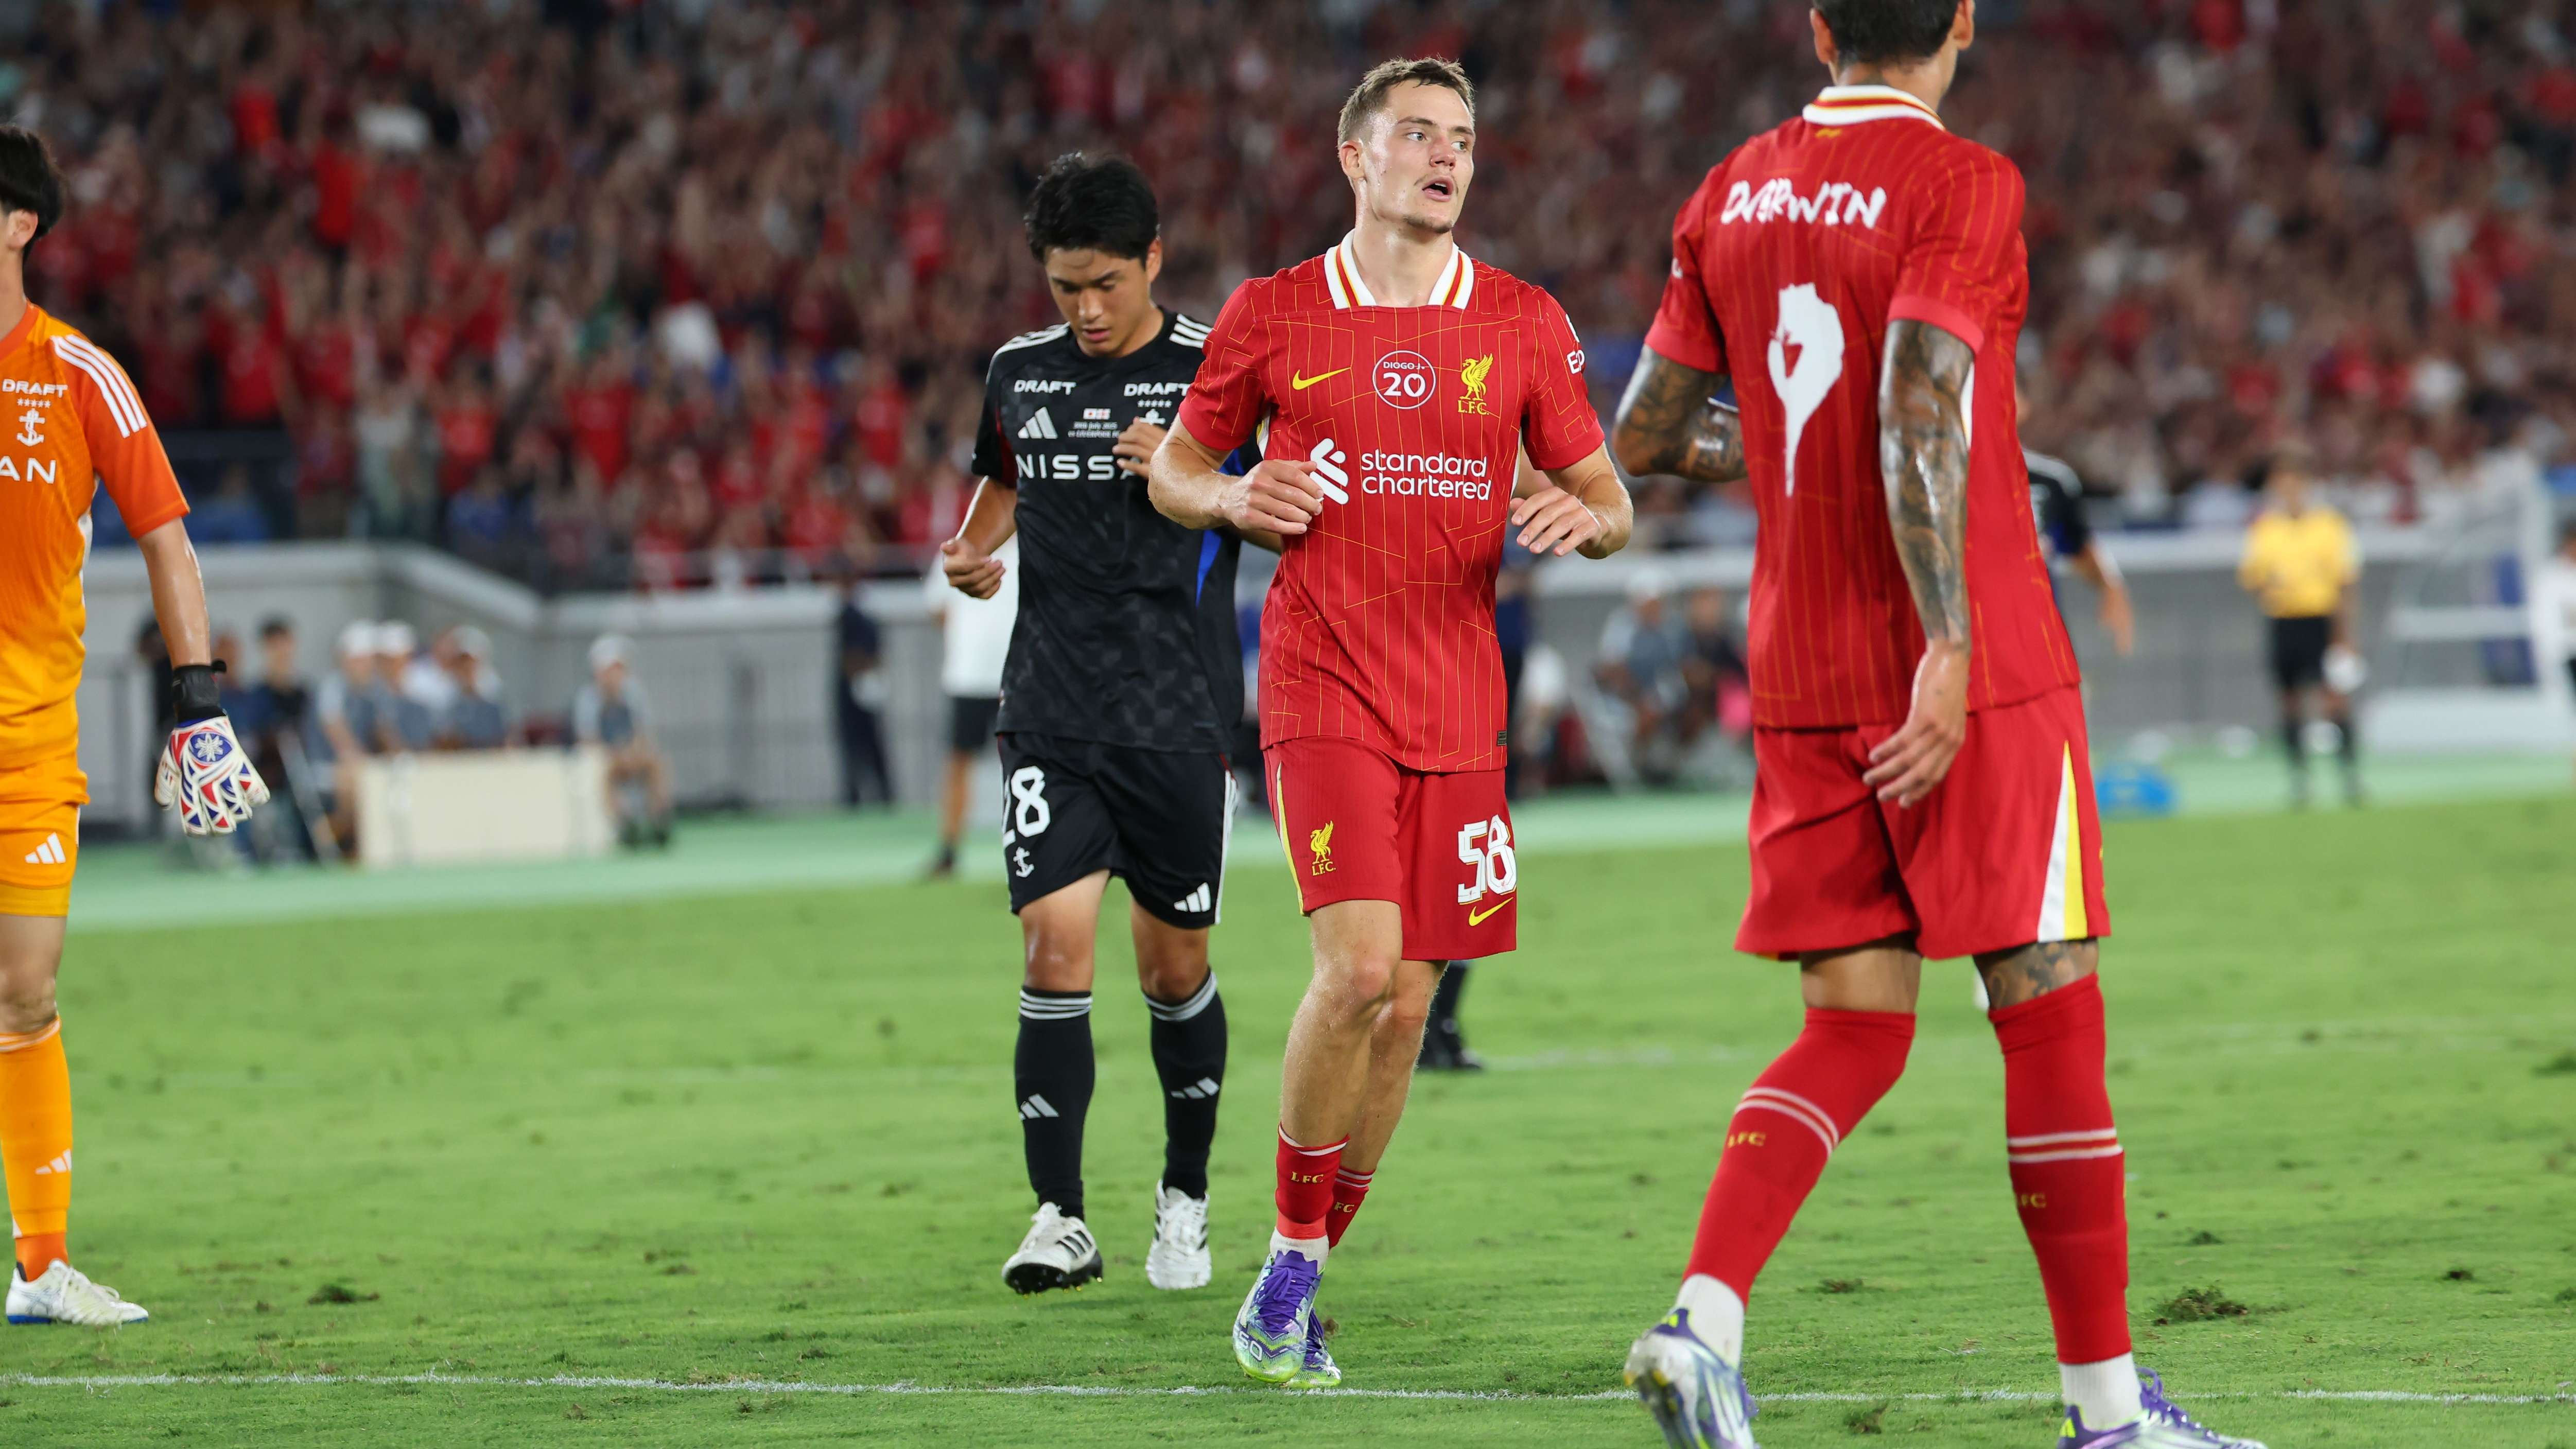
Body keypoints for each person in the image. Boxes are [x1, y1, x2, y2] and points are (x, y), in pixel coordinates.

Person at [1609, 8, 2261, 1447]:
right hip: (1965, 666)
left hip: (1799, 665)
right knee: (2047, 1009)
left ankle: (1699, 1323)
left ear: (1816, 25)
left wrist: (1798, 451)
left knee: (1850, 1024)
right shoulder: (1959, 181)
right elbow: (1915, 407)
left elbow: (1645, 433)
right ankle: (2106, 1414)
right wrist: (1950, 644)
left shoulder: (1729, 190)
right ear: (1959, 19)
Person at [1148, 58, 1633, 1390]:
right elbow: (1180, 464)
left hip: (1460, 700)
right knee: (1359, 970)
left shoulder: (1524, 320)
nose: (1445, 155)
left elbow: (1609, 499)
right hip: (1323, 680)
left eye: (1461, 137)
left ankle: (1295, 1276)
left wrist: (1583, 518)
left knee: (1410, 1007)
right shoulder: (1273, 312)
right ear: (1355, 157)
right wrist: (1231, 497)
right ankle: (1289, 1267)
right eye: (1416, 134)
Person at [938, 153, 1243, 1301]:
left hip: (1176, 716)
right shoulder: (1017, 372)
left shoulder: (1215, 369)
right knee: (1051, 947)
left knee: (1174, 972)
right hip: (1050, 710)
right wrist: (972, 552)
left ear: (1152, 260)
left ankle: (1185, 1194)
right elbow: (1000, 486)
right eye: (1066, 286)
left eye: (1107, 283)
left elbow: (1285, 508)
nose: (1087, 309)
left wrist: (1189, 473)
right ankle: (1059, 1216)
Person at [0, 125, 269, 1325]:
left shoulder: (78, 375)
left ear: (20, 225)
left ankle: (40, 1269)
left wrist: (195, 698)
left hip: (27, 746)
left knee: (23, 995)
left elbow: (165, 536)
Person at [2238, 446, 2362, 809]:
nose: (2288, 488)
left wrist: (2344, 635)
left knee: (2334, 700)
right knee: (2290, 701)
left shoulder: (2329, 525)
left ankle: (2349, 776)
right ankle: (2300, 779)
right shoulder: (2265, 529)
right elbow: (2252, 578)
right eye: (2282, 482)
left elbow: (2345, 583)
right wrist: (2273, 583)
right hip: (2284, 621)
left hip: (2322, 620)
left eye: (2294, 480)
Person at [921, 535, 1018, 878]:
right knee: (961, 762)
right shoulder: (957, 548)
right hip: (972, 675)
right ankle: (949, 847)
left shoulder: (1031, 545)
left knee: (1028, 760)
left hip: (1015, 674)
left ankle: (1035, 845)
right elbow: (938, 607)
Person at [2021, 379, 2135, 658]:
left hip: (2040, 642)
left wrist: (2111, 586)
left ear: (2023, 404)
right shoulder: (1951, 483)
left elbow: (2078, 545)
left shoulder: (2049, 482)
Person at [572, 634, 672, 846]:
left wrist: (633, 752)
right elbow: (588, 739)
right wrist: (616, 754)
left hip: (632, 754)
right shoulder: (588, 699)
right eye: (611, 669)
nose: (616, 675)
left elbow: (643, 732)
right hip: (607, 759)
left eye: (620, 669)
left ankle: (659, 820)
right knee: (608, 774)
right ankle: (625, 824)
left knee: (656, 764)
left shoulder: (634, 693)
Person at [833, 574, 892, 809]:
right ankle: (879, 794)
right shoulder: (865, 614)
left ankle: (859, 796)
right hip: (864, 687)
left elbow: (852, 655)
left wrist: (858, 675)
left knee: (858, 744)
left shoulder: (850, 616)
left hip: (855, 690)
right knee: (869, 744)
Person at [441, 626, 509, 750]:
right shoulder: (446, 696)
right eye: (462, 663)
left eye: (471, 663)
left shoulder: (494, 699)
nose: (467, 668)